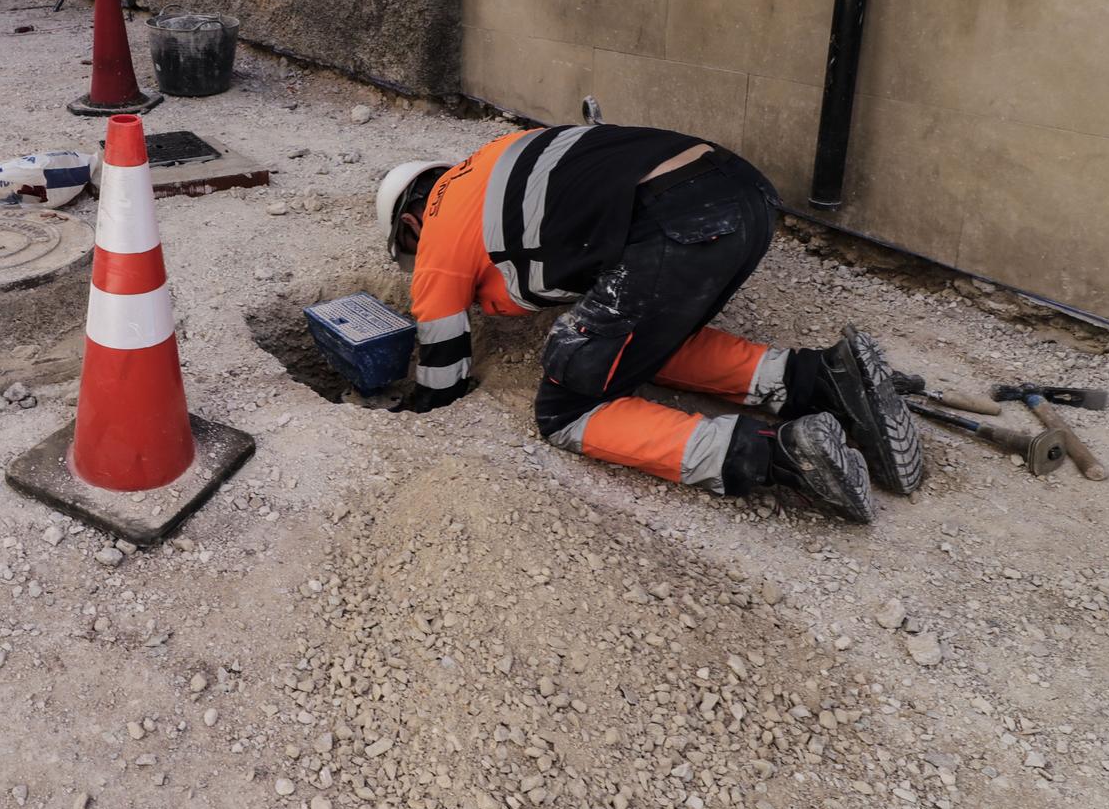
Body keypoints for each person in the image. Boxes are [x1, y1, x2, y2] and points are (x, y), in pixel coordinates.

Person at [376, 125, 924, 522]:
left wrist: (416, 409)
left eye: (409, 250)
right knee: (645, 339)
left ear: (410, 221)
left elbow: (442, 364)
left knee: (566, 410)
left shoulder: (439, 229)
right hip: (743, 197)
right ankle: (825, 377)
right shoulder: (497, 158)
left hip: (671, 222)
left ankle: (778, 452)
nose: (416, 263)